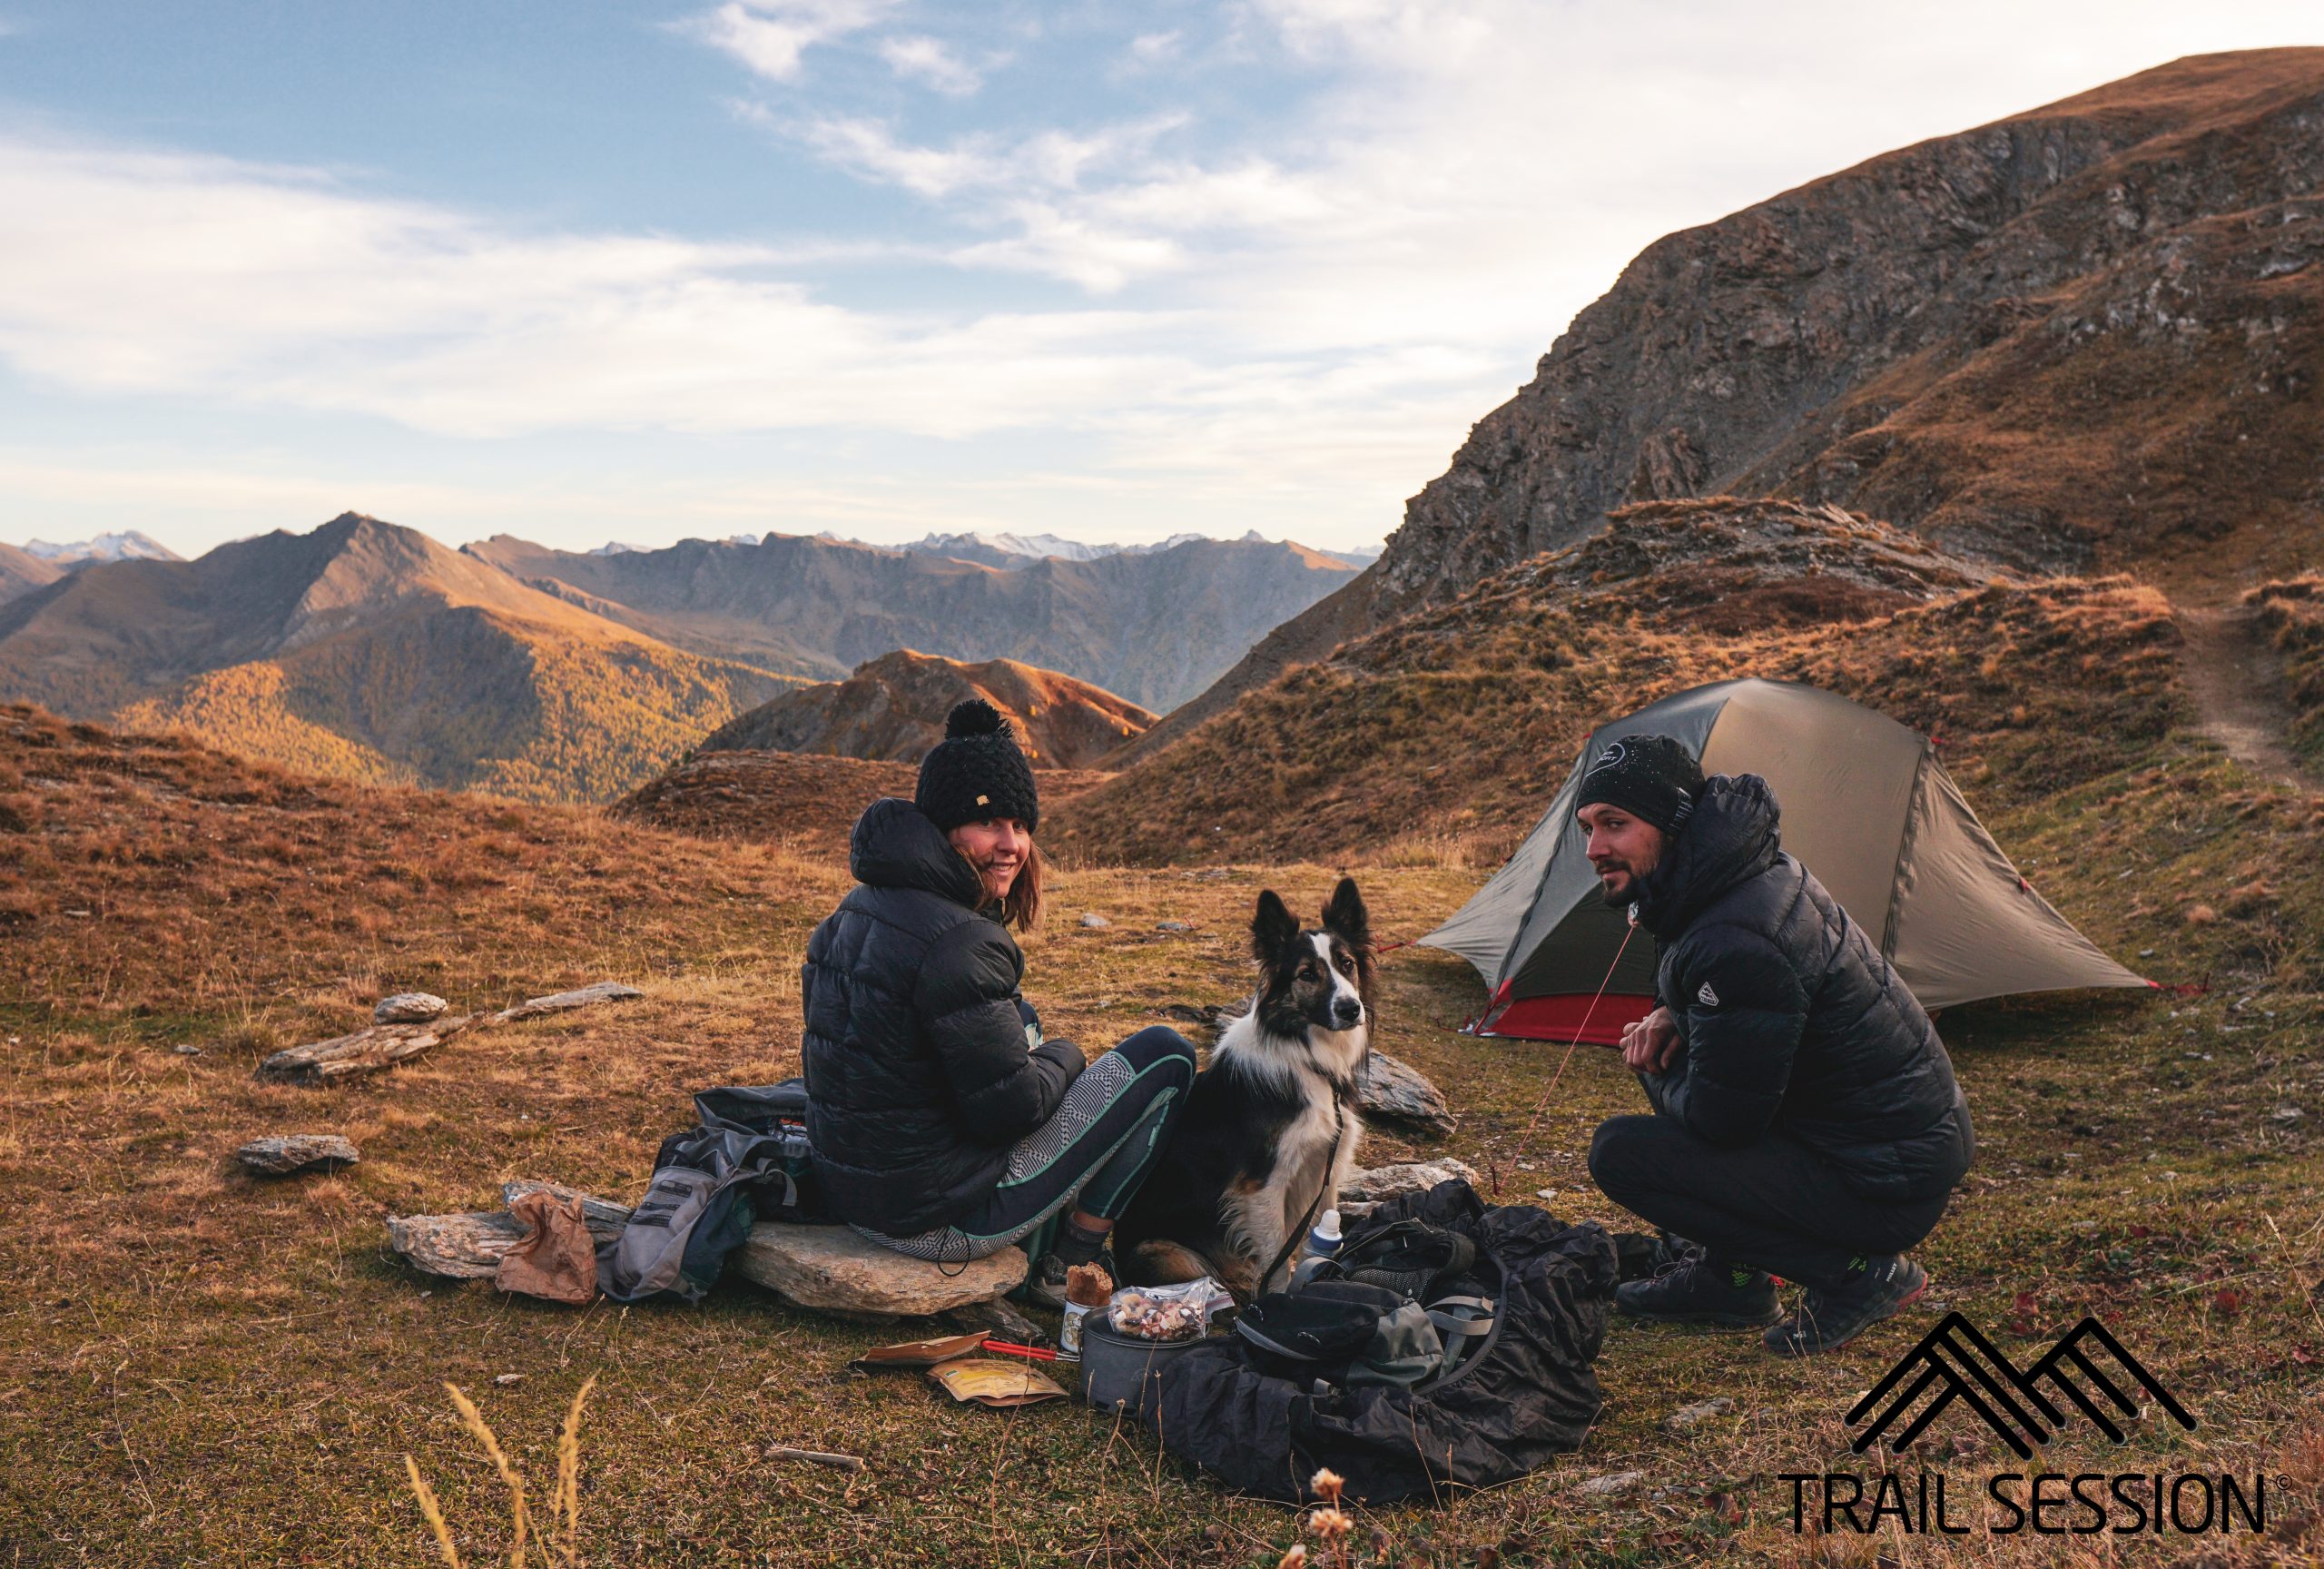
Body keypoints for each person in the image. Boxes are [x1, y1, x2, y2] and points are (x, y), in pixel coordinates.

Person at [1577, 735, 1976, 1356]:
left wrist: (1653, 1063)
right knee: (1677, 1063)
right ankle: (1732, 1281)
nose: (1595, 848)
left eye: (1615, 824)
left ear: (1675, 822)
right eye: (1588, 827)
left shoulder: (1734, 932)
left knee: (1621, 1154)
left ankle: (1858, 1278)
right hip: (1885, 1153)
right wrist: (1670, 1014)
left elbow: (1724, 1121)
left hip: (1881, 1185)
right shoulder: (1728, 876)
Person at [801, 698, 1197, 1308]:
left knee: (1024, 1019)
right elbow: (1013, 1111)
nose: (1011, 844)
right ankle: (1069, 1262)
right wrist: (1069, 1056)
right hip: (942, 1220)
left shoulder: (853, 913)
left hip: (855, 1197)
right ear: (945, 829)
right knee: (1165, 1057)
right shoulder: (959, 941)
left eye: (1020, 824)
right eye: (989, 824)